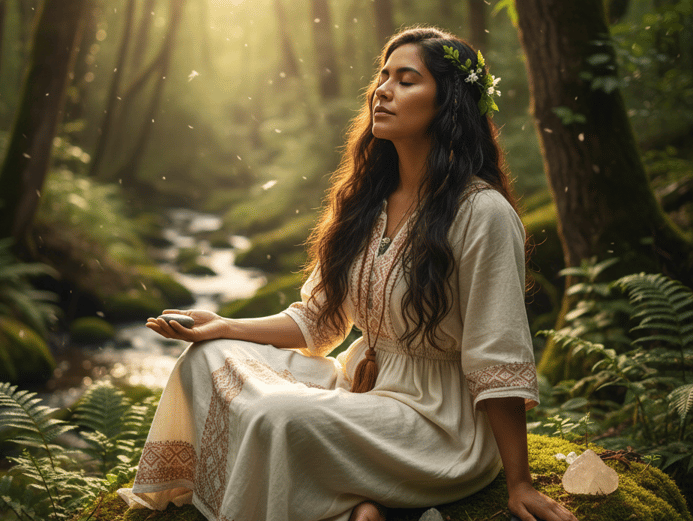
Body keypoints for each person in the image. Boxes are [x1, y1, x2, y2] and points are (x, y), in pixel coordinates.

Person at [118, 26, 578, 521]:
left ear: (450, 103)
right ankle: (356, 507)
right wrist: (224, 326)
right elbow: (318, 322)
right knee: (210, 358)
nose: (383, 89)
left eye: (407, 80)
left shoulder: (482, 213)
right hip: (362, 391)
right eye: (383, 76)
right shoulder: (364, 202)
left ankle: (352, 506)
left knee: (279, 417)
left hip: (441, 427)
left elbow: (498, 356)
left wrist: (520, 484)